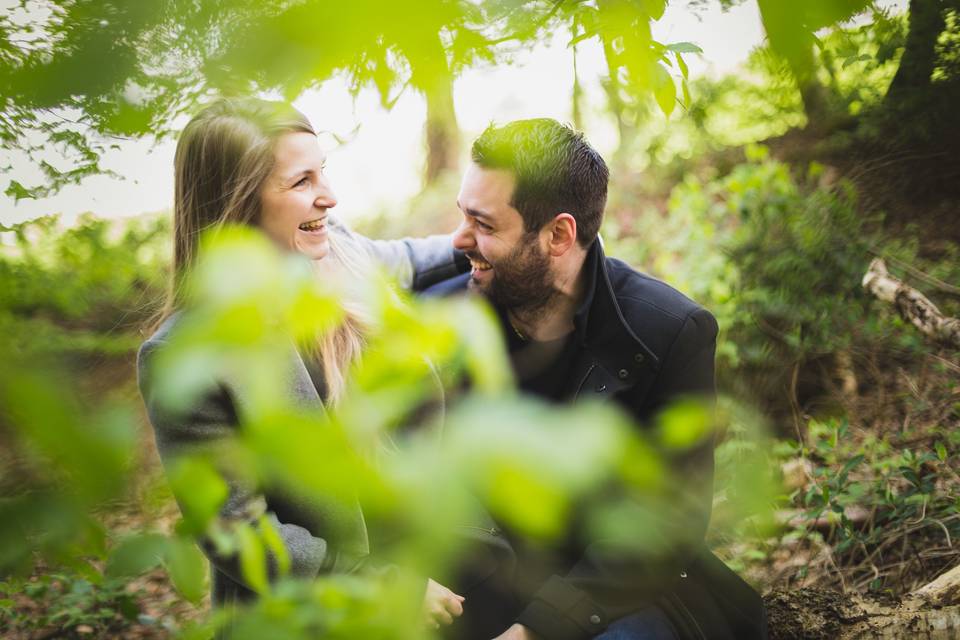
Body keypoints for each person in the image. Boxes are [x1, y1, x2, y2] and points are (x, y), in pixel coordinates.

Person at [425, 119, 767, 640]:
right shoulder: (438, 320)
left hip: (617, 596)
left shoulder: (669, 332)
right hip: (477, 586)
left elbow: (666, 526)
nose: (458, 238)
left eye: (485, 225)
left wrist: (535, 629)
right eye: (462, 215)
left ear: (559, 234)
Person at [136, 98, 467, 629]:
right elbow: (242, 537)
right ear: (237, 204)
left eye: (324, 172)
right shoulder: (186, 356)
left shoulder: (336, 253)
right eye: (301, 182)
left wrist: (487, 239)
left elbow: (408, 258)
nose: (330, 197)